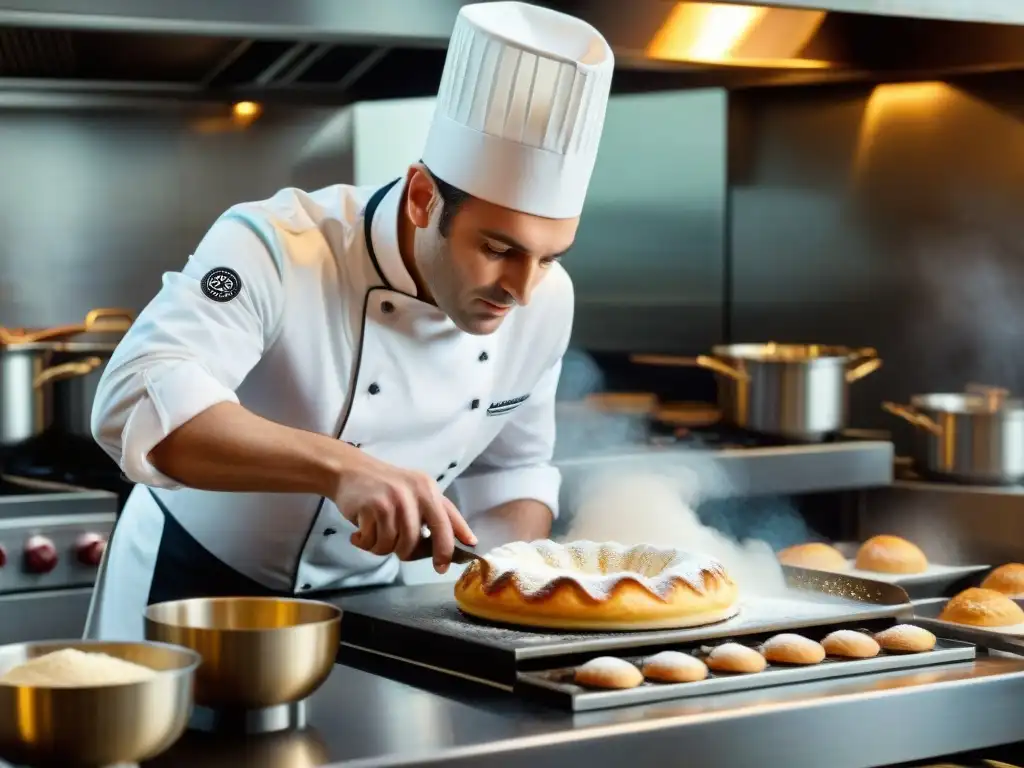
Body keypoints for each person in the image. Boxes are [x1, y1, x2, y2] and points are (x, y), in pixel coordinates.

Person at [84, 1, 615, 640]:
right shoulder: (279, 244)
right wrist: (343, 467)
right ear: (424, 197)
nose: (522, 291)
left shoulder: (546, 299)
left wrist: (499, 575)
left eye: (549, 258)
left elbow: (512, 473)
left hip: (375, 605)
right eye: (498, 249)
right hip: (190, 588)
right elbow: (136, 399)